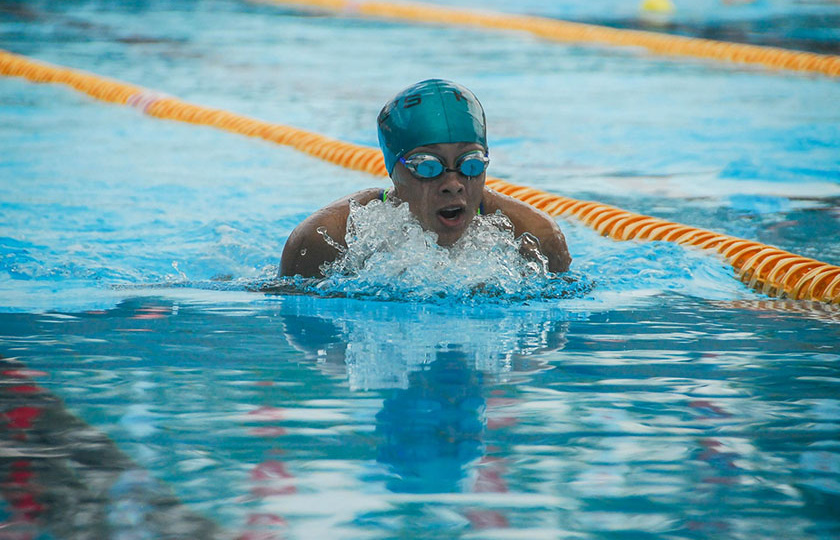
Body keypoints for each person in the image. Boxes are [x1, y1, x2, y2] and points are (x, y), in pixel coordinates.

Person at [280, 79, 571, 278]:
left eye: (470, 164)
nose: (454, 184)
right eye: (428, 166)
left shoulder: (534, 236)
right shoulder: (327, 239)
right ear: (394, 170)